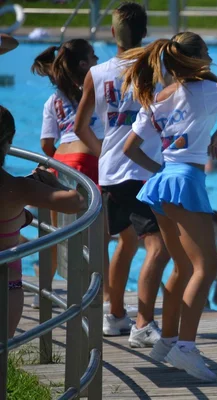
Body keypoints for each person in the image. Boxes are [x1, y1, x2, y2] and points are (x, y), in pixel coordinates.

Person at [120, 32, 217, 380]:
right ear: (198, 58)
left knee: (182, 266)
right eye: (206, 51)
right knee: (207, 264)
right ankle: (186, 348)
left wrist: (164, 172)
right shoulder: (205, 91)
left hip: (163, 181)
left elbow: (130, 148)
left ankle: (167, 340)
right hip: (185, 181)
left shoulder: (159, 97)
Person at [73, 2, 168, 346]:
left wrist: (105, 154)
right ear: (145, 32)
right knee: (158, 247)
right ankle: (143, 323)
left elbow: (80, 126)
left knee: (126, 242)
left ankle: (114, 315)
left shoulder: (96, 74)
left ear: (112, 33)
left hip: (112, 171)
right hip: (143, 170)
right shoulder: (156, 68)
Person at [31, 39, 112, 310]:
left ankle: (43, 291)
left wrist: (59, 163)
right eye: (93, 56)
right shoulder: (96, 90)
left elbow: (45, 145)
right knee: (99, 236)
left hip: (61, 162)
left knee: (53, 233)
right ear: (83, 64)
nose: (97, 59)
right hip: (88, 158)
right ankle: (108, 300)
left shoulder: (52, 100)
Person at [0, 105, 86, 338]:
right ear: (8, 142)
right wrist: (51, 183)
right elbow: (76, 201)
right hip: (6, 289)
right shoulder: (18, 188)